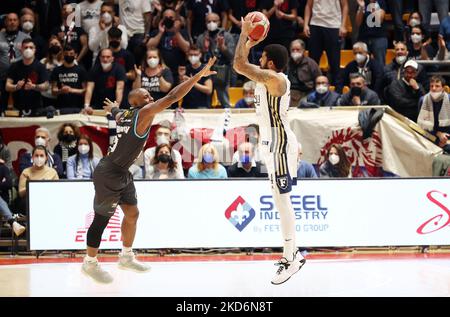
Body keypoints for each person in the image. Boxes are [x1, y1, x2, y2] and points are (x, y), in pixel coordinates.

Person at [81, 57, 217, 284]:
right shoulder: (143, 114)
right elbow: (173, 96)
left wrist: (113, 108)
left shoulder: (126, 114)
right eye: (146, 96)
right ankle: (90, 262)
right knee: (101, 220)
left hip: (122, 171)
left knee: (132, 214)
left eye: (150, 96)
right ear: (137, 102)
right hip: (109, 172)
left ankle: (125, 256)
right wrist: (198, 76)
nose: (152, 99)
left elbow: (117, 112)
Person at [233, 18, 306, 285]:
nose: (259, 59)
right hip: (271, 145)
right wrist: (248, 42)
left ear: (271, 63)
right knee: (279, 199)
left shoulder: (276, 80)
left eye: (262, 56)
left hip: (280, 144)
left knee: (282, 200)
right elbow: (238, 64)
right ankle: (291, 254)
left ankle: (292, 256)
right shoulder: (266, 77)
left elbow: (240, 65)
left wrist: (244, 35)